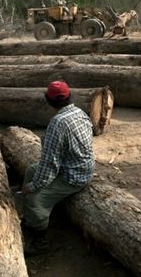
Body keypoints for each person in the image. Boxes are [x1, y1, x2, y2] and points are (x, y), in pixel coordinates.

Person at [21, 80, 95, 256]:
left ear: (49, 101)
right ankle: (31, 219)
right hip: (81, 166)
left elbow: (49, 165)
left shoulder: (58, 123)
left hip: (74, 177)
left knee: (35, 199)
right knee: (32, 169)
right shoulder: (80, 112)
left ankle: (40, 242)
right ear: (69, 97)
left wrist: (31, 188)